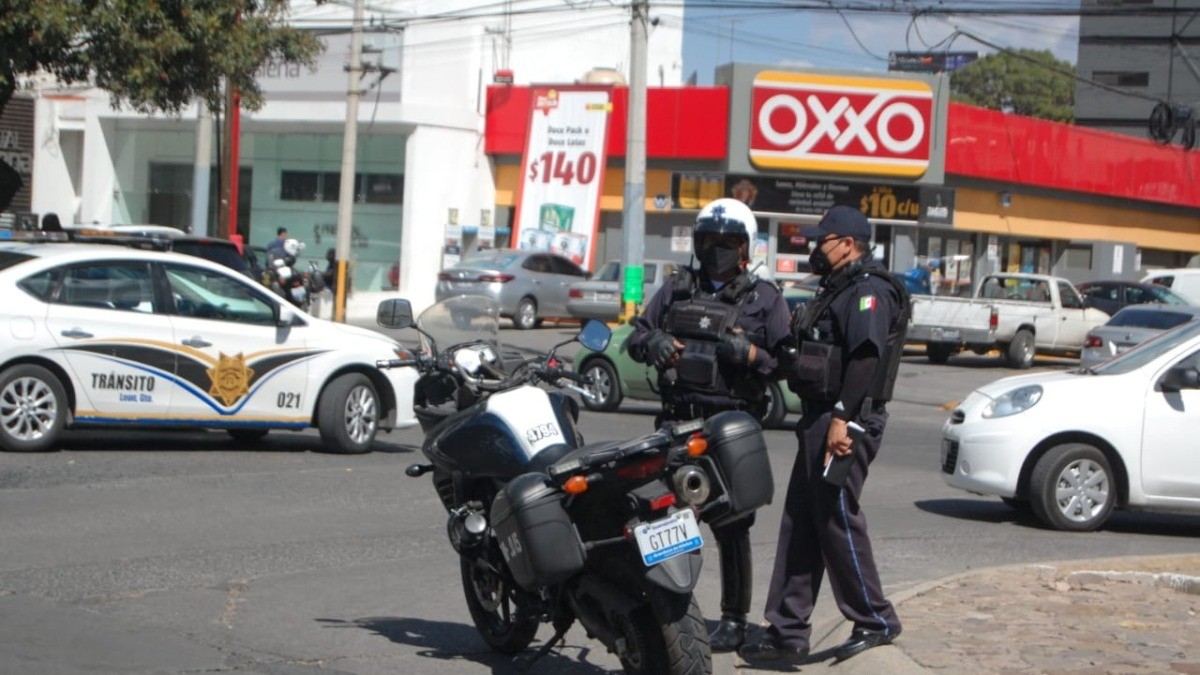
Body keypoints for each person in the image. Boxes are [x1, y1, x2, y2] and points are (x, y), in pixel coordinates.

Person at [740, 206, 910, 665]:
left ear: (848, 244)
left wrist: (842, 417)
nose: (815, 248)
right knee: (800, 519)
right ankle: (787, 630)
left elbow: (866, 359)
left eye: (823, 241)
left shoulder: (869, 291)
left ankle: (876, 619)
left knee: (836, 516)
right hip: (820, 419)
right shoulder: (840, 287)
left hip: (846, 421)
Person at [627, 197, 791, 653]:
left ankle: (735, 620)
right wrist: (654, 341)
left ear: (745, 247)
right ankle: (669, 617)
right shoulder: (676, 288)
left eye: (728, 241)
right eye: (709, 240)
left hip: (728, 428)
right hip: (677, 423)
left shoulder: (765, 298)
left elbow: (786, 361)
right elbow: (637, 335)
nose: (717, 248)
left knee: (732, 525)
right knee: (663, 521)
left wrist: (752, 355)